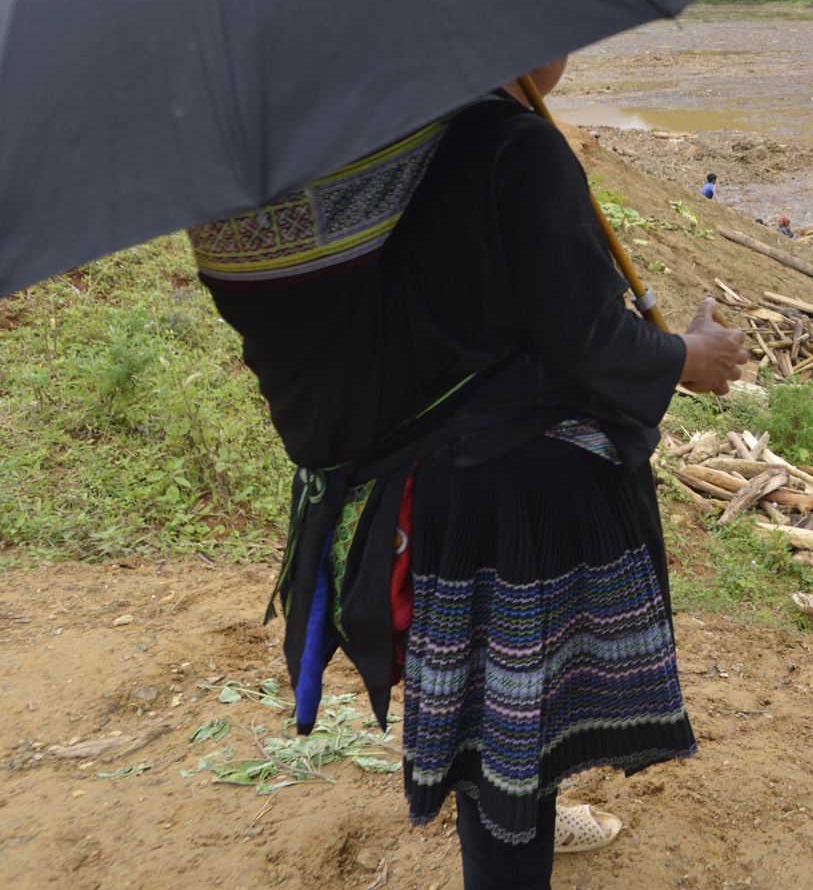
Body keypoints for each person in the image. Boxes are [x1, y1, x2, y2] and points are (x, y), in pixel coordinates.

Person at [187, 56, 749, 889]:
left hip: (418, 492)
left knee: (500, 709)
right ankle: (517, 835)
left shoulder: (394, 138)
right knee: (512, 726)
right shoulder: (513, 144)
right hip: (511, 498)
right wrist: (685, 356)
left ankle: (531, 810)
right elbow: (587, 341)